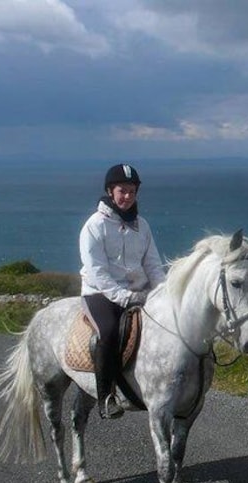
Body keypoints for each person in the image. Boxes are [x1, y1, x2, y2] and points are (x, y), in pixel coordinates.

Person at [80, 163, 165, 419]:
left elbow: (152, 263)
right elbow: (97, 272)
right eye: (122, 191)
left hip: (140, 292)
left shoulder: (143, 225)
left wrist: (163, 291)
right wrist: (125, 297)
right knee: (107, 332)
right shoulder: (94, 226)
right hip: (100, 294)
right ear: (110, 191)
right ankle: (106, 397)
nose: (127, 196)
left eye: (131, 191)